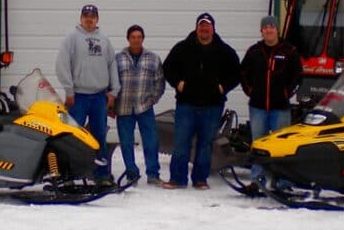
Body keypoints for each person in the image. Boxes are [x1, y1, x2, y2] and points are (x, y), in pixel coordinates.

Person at [161, 12, 240, 190]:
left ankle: (200, 179)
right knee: (181, 143)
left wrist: (222, 87)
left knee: (205, 144)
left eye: (207, 26)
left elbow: (236, 74)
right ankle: (177, 179)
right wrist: (178, 83)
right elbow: (167, 68)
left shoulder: (224, 51)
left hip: (212, 107)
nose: (204, 29)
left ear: (213, 28)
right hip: (186, 105)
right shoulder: (183, 47)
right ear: (197, 28)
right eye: (201, 26)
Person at [55, 3, 120, 186]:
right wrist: (69, 91)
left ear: (97, 19)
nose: (89, 19)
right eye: (86, 16)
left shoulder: (104, 40)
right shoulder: (71, 38)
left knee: (99, 135)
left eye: (92, 16)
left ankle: (102, 175)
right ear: (81, 18)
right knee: (72, 136)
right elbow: (62, 65)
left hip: (99, 97)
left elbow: (112, 66)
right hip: (78, 97)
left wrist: (113, 92)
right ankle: (69, 176)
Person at [239, 15, 303, 190]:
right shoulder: (254, 51)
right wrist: (250, 91)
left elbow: (298, 75)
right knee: (259, 143)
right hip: (258, 107)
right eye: (265, 27)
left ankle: (283, 180)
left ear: (277, 30)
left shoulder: (289, 51)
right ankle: (257, 179)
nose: (268, 30)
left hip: (280, 108)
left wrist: (286, 93)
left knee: (282, 145)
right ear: (261, 31)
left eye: (271, 27)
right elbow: (243, 73)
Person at [114, 24, 165, 185]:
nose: (136, 40)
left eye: (139, 37)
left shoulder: (153, 58)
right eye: (133, 37)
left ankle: (153, 174)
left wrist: (153, 99)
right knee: (126, 142)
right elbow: (111, 82)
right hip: (124, 107)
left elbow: (159, 82)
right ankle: (131, 174)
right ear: (128, 39)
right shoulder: (118, 59)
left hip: (145, 107)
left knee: (151, 141)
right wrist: (111, 104)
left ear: (143, 39)